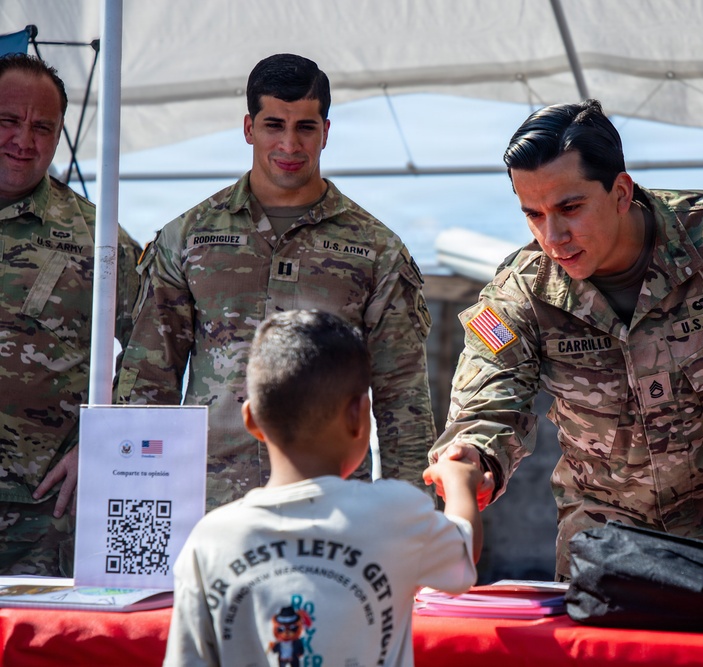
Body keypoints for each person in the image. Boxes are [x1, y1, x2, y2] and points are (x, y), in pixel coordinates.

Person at [431, 99, 703, 578]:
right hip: (604, 547)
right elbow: (487, 405)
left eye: (570, 208)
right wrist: (469, 459)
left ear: (620, 191)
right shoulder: (521, 293)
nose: (553, 236)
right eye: (533, 214)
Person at [115, 53, 435, 509]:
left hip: (330, 507)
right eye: (273, 125)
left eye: (305, 127)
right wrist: (132, 499)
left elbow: (401, 395)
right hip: (207, 502)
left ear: (326, 131)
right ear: (249, 128)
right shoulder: (188, 237)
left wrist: (413, 516)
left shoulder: (376, 248)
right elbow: (147, 382)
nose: (290, 144)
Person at [163, 309, 482, 667]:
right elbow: (462, 556)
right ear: (359, 415)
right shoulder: (396, 514)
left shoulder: (211, 537)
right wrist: (459, 482)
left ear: (250, 419)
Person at [0, 53, 141, 576]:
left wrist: (103, 442)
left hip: (43, 521)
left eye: (43, 127)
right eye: (9, 121)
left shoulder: (96, 240)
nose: (24, 141)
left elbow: (157, 347)